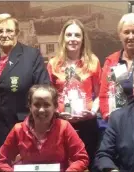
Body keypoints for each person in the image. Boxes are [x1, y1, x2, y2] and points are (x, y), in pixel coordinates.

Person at [0, 13, 50, 167]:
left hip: (23, 126)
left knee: (24, 167)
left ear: (17, 32)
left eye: (9, 30)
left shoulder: (31, 56)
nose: (4, 35)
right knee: (0, 166)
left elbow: (44, 89)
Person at [46, 19, 101, 169]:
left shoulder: (93, 62)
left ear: (83, 39)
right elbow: (48, 95)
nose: (73, 39)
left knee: (87, 161)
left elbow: (100, 92)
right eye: (69, 34)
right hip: (61, 124)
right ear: (63, 38)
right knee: (63, 163)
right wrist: (56, 112)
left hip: (87, 123)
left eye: (77, 35)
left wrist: (93, 112)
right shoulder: (53, 63)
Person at [0, 84, 89, 171]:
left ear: (55, 106)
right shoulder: (18, 129)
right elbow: (2, 161)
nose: (41, 110)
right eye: (36, 104)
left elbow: (81, 158)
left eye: (46, 105)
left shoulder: (64, 127)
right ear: (30, 106)